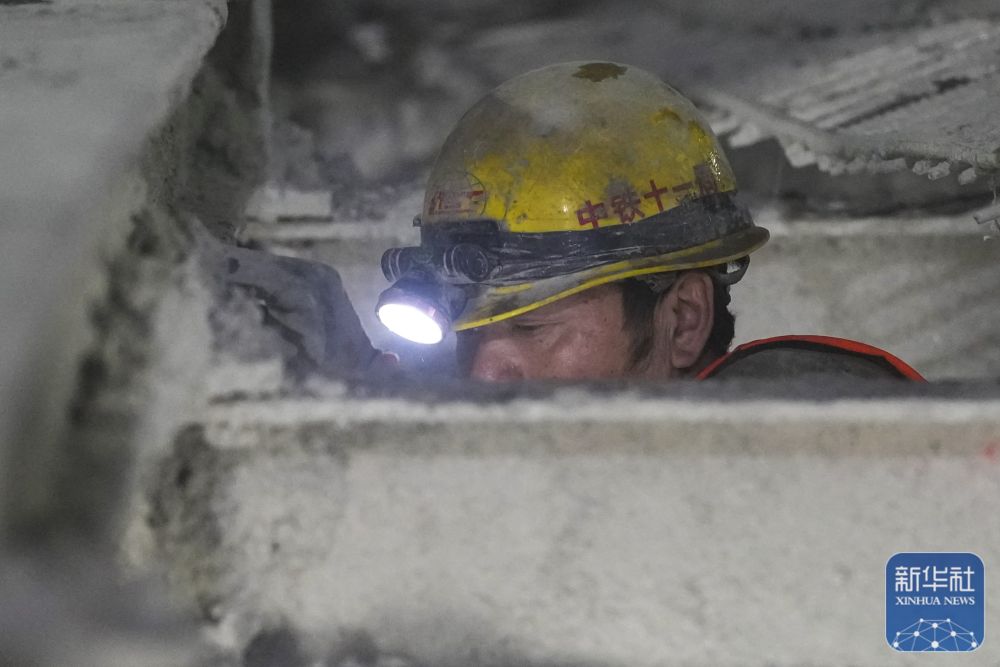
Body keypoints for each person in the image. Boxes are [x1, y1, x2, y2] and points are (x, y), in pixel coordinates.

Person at [375, 61, 924, 382]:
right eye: (467, 334)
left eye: (531, 327)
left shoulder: (815, 446)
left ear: (683, 320)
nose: (483, 375)